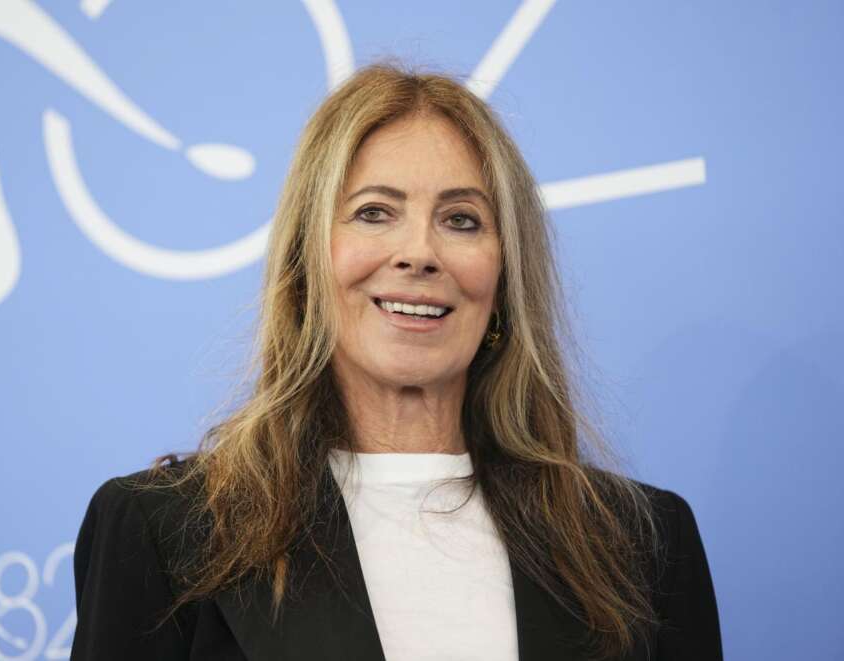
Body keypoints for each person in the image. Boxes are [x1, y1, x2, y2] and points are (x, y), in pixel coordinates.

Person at [70, 62, 722, 661]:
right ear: (308, 265)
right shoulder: (167, 533)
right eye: (374, 213)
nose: (419, 252)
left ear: (505, 278)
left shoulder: (643, 546)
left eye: (462, 219)